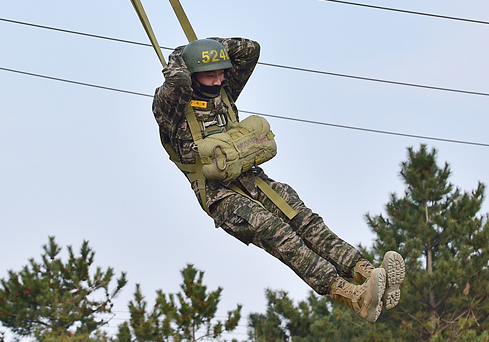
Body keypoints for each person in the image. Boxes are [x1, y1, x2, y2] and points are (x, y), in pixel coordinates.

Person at [153, 37, 405, 322]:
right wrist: (182, 55)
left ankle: (366, 271)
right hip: (219, 195)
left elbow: (249, 49)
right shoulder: (171, 109)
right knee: (276, 231)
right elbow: (175, 82)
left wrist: (210, 51)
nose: (219, 80)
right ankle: (349, 293)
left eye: (221, 71)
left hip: (252, 179)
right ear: (193, 75)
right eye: (210, 74)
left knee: (303, 218)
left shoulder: (224, 92)